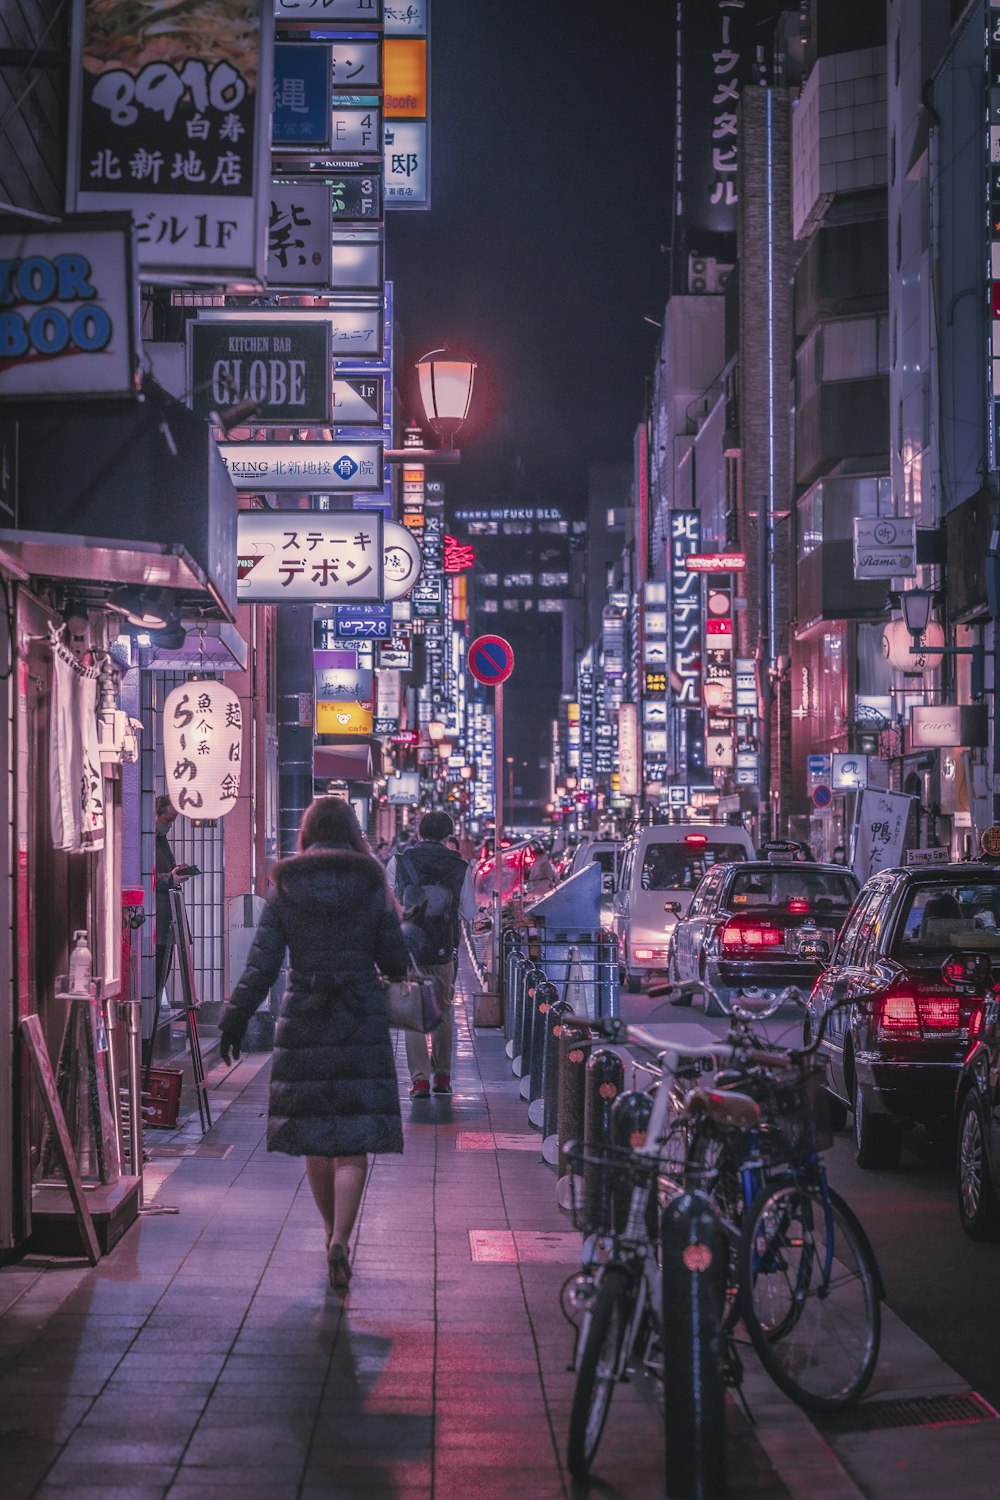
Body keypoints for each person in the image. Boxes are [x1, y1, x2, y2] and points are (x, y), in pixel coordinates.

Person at [216, 797, 410, 1292]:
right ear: (352, 832)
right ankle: (342, 1238)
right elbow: (395, 960)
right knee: (353, 1141)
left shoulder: (287, 887)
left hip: (303, 1016)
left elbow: (261, 965)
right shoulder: (372, 884)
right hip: (359, 1017)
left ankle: (328, 1233)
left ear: (306, 832)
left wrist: (234, 1019)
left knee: (315, 1140)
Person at [386, 810, 477, 1099]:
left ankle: (420, 1080)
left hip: (409, 948)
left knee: (412, 1012)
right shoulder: (460, 866)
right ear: (448, 835)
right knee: (444, 1010)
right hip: (443, 949)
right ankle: (443, 1077)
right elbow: (469, 912)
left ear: (419, 832)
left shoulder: (399, 862)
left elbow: (390, 905)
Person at [154, 794, 194, 1010]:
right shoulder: (147, 839)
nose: (169, 825)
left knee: (163, 970)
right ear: (156, 815)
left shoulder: (159, 839)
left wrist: (174, 873)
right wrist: (170, 877)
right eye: (168, 820)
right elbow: (146, 877)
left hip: (165, 916)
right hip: (157, 919)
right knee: (158, 971)